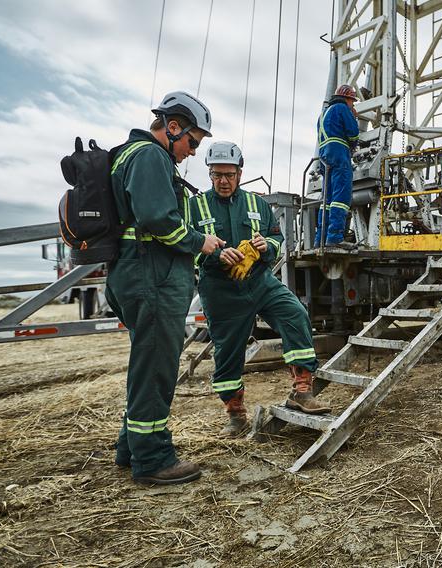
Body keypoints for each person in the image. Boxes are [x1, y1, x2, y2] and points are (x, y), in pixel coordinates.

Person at [106, 91, 224, 485]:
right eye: (192, 141)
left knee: (147, 363)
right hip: (151, 275)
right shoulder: (150, 156)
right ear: (172, 127)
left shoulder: (131, 154)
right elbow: (158, 219)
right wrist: (199, 242)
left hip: (138, 273)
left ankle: (131, 447)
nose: (192, 152)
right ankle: (154, 458)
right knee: (156, 366)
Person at [191, 141, 332, 437]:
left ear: (240, 173)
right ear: (210, 174)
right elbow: (184, 246)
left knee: (294, 313)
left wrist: (268, 246)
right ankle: (235, 414)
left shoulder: (258, 204)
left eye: (229, 174)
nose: (224, 181)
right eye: (217, 175)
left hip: (259, 281)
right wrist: (214, 254)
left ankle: (302, 390)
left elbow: (277, 238)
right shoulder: (195, 206)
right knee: (227, 352)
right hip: (220, 289)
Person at [315, 84, 360, 248]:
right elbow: (353, 133)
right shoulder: (342, 108)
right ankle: (334, 238)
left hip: (324, 156)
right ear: (347, 98)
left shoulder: (323, 114)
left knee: (327, 199)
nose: (353, 105)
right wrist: (354, 117)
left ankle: (320, 238)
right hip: (339, 153)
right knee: (341, 197)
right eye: (352, 101)